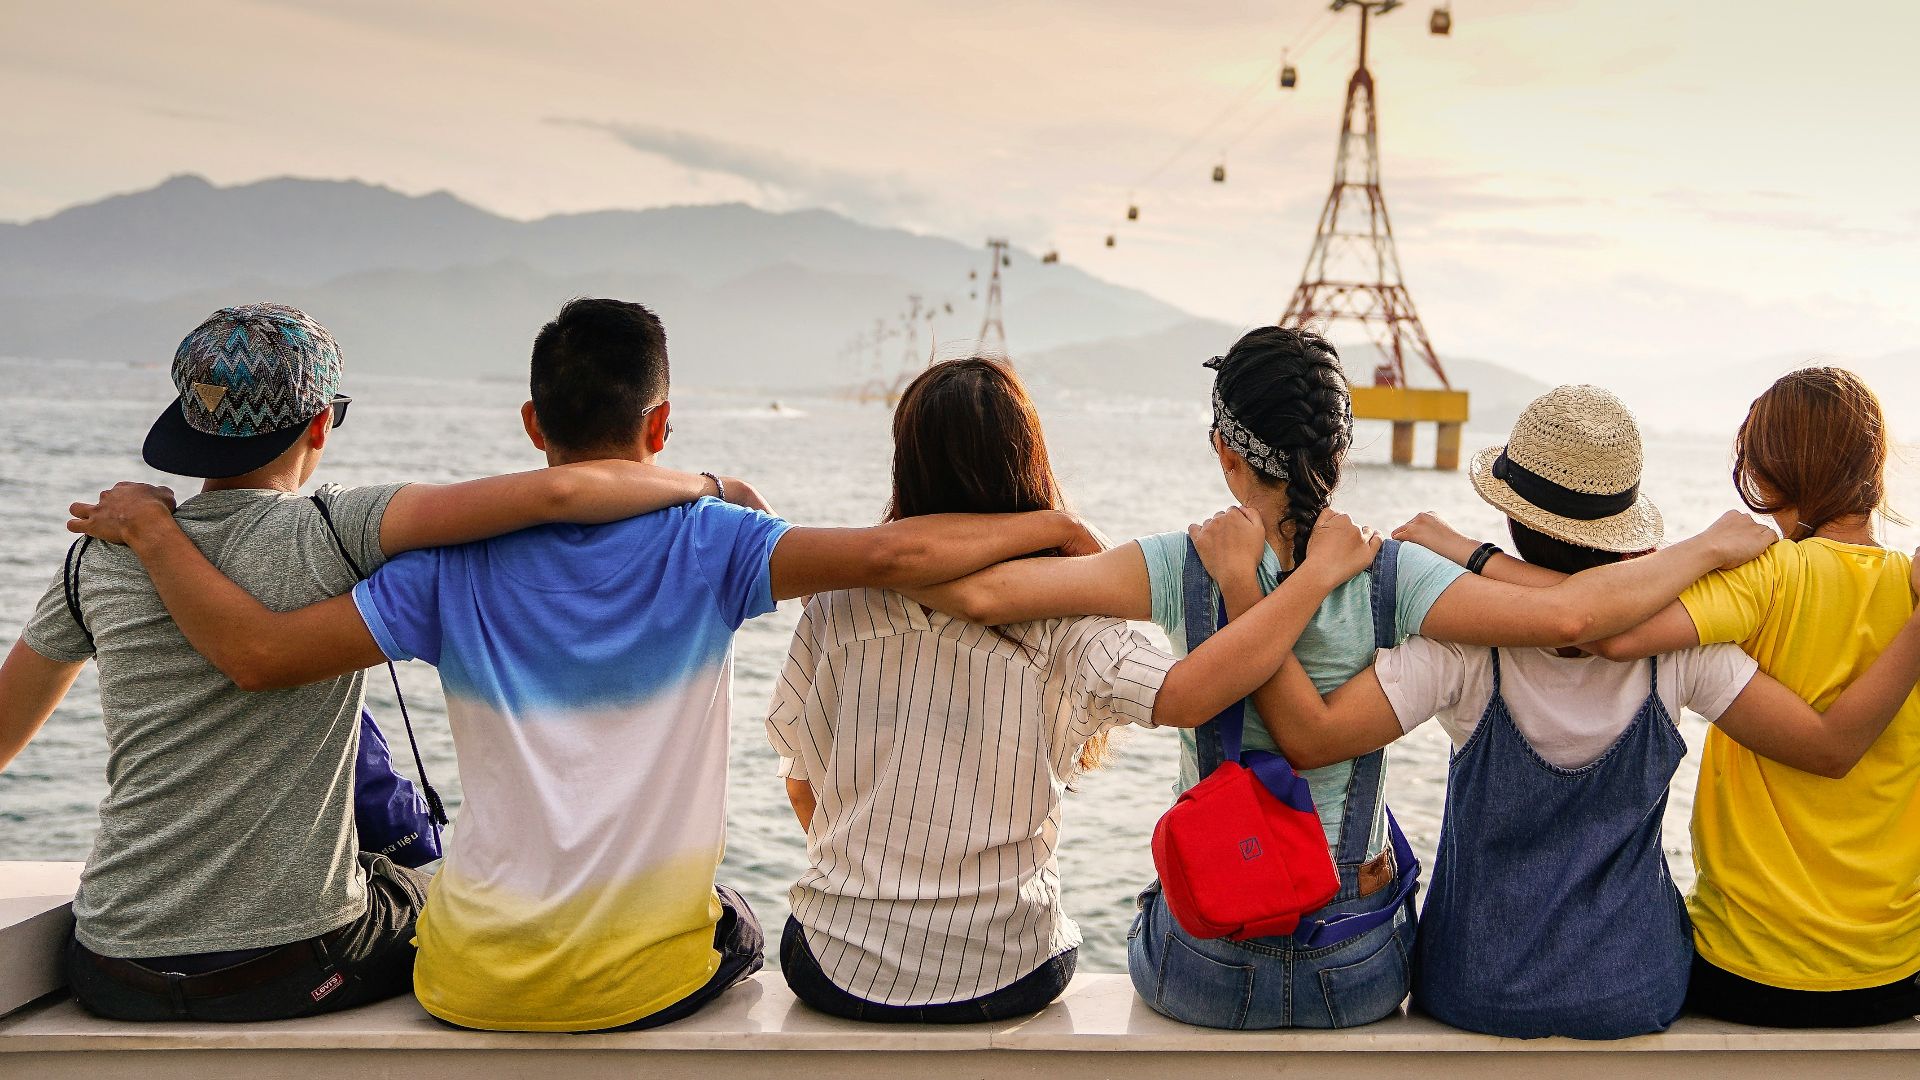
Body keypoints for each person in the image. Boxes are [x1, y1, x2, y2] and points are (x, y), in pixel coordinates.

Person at [65, 298, 1104, 1034]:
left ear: (531, 425)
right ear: (659, 423)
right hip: (644, 987)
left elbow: (264, 653)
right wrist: (1060, 525)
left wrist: (157, 539)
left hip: (466, 983)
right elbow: (901, 555)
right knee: (735, 916)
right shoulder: (717, 543)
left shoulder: (446, 567)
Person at [904, 326, 1777, 1030]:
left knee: (1157, 893)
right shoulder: (1395, 574)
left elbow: (978, 592)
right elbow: (1570, 618)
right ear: (1342, 449)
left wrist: (1056, 522)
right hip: (1353, 970)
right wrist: (1704, 548)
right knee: (1384, 845)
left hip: (1207, 966)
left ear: (1225, 451)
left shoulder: (1182, 561)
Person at [0, 303, 744, 1023]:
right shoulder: (338, 530)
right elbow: (559, 493)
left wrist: (154, 529)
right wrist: (711, 488)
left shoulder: (98, 556)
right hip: (289, 966)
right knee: (431, 891)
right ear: (322, 422)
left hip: (112, 967)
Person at [1226, 384, 1920, 1039]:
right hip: (1638, 989)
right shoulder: (1687, 654)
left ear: (1510, 516)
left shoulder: (1464, 648)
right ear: (1629, 529)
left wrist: (1247, 591)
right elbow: (1824, 744)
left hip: (1472, 986)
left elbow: (1310, 737)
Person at [766, 357, 1384, 1024]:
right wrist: (1312, 578)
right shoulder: (1069, 620)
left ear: (905, 464)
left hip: (836, 964)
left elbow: (804, 784)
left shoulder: (836, 605)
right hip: (1007, 968)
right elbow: (1187, 693)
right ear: (1027, 461)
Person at [1511, 367, 1918, 1028]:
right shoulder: (1912, 586)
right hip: (1896, 976)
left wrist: (1458, 555)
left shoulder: (1768, 575)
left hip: (1749, 971)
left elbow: (1605, 633)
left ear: (1769, 471)